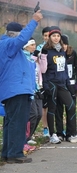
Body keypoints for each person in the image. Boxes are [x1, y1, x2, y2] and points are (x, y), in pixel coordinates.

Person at [0, 11, 43, 163]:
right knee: (17, 122)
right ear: (14, 35)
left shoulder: (5, 45)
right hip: (17, 90)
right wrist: (34, 21)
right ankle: (15, 154)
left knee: (10, 122)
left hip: (12, 90)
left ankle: (7, 152)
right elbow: (23, 38)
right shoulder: (9, 44)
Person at [41, 26, 77, 144]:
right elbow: (43, 70)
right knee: (53, 108)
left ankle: (71, 134)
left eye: (58, 36)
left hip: (62, 83)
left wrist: (68, 82)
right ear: (50, 37)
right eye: (53, 36)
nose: (56, 38)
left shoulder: (61, 50)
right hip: (51, 83)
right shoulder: (46, 51)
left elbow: (64, 69)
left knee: (71, 106)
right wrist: (46, 85)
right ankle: (53, 134)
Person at [55, 34, 77, 141]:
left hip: (71, 84)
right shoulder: (56, 54)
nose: (64, 46)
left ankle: (71, 132)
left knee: (71, 108)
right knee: (58, 109)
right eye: (62, 44)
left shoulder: (72, 53)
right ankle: (60, 132)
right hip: (60, 85)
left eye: (65, 44)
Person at [22, 38, 41, 152]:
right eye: (32, 45)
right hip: (25, 91)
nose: (34, 47)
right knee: (31, 114)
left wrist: (36, 88)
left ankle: (27, 138)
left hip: (33, 90)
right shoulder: (23, 58)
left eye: (35, 44)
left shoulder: (31, 59)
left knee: (37, 114)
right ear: (25, 46)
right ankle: (24, 139)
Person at [36, 26, 51, 138]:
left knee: (55, 106)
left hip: (54, 80)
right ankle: (45, 128)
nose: (47, 38)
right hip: (43, 80)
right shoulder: (38, 48)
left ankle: (54, 127)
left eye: (49, 35)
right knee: (44, 107)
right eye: (45, 35)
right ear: (43, 36)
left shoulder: (57, 48)